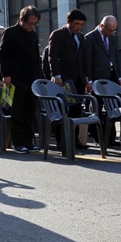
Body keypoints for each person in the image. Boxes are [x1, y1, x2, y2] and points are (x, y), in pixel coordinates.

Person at [0, 6, 44, 154]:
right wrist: (6, 74)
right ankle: (18, 143)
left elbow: (36, 59)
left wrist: (39, 77)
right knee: (17, 111)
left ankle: (29, 142)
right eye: (30, 23)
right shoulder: (10, 33)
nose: (32, 26)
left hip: (31, 78)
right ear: (21, 20)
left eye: (34, 24)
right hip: (15, 78)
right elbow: (3, 55)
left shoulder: (33, 35)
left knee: (30, 111)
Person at [49, 8, 91, 151]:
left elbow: (84, 58)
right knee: (63, 110)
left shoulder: (81, 37)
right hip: (64, 79)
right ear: (68, 22)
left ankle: (75, 138)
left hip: (78, 79)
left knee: (76, 110)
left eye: (81, 25)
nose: (78, 27)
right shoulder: (58, 35)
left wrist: (87, 78)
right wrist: (57, 76)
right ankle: (62, 140)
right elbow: (52, 56)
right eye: (76, 24)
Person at [85, 15, 121, 147]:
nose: (111, 33)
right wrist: (88, 80)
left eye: (113, 30)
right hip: (97, 78)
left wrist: (119, 77)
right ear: (101, 26)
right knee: (97, 108)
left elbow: (116, 58)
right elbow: (87, 61)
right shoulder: (90, 38)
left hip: (111, 77)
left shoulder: (112, 39)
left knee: (111, 107)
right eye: (109, 30)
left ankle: (111, 137)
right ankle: (98, 138)